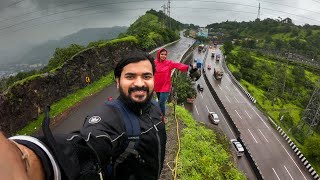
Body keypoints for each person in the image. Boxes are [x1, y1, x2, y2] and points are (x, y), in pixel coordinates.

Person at [0, 49, 167, 180]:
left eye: (146, 76)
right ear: (117, 81)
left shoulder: (153, 105)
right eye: (130, 76)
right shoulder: (108, 118)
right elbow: (82, 149)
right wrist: (28, 160)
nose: (139, 83)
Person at [154, 48, 188, 118]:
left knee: (161, 103)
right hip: (157, 86)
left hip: (165, 86)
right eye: (162, 54)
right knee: (160, 103)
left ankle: (162, 117)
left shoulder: (169, 63)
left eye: (165, 54)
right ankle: (159, 114)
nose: (164, 56)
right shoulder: (154, 63)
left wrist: (188, 67)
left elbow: (178, 65)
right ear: (158, 54)